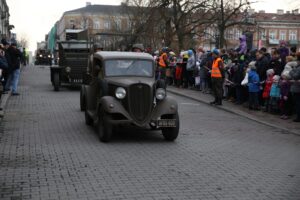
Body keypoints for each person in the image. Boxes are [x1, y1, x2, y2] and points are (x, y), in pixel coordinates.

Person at [289, 52, 300, 122]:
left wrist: (291, 71)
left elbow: (295, 76)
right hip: (296, 87)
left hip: (297, 88)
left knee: (298, 103)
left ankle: (298, 117)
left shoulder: (298, 68)